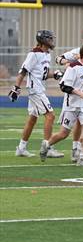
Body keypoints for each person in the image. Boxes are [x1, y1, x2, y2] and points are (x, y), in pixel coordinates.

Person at [39, 44, 83, 166]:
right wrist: (79, 93)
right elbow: (63, 86)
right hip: (71, 106)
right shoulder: (74, 67)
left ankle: (82, 159)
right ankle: (47, 144)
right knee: (63, 134)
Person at [9, 30, 64, 159]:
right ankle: (48, 147)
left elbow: (43, 74)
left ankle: (21, 148)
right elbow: (23, 71)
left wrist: (55, 74)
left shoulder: (46, 54)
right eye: (49, 39)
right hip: (36, 90)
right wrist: (16, 87)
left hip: (39, 88)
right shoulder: (34, 54)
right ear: (43, 40)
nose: (52, 41)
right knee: (50, 115)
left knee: (32, 119)